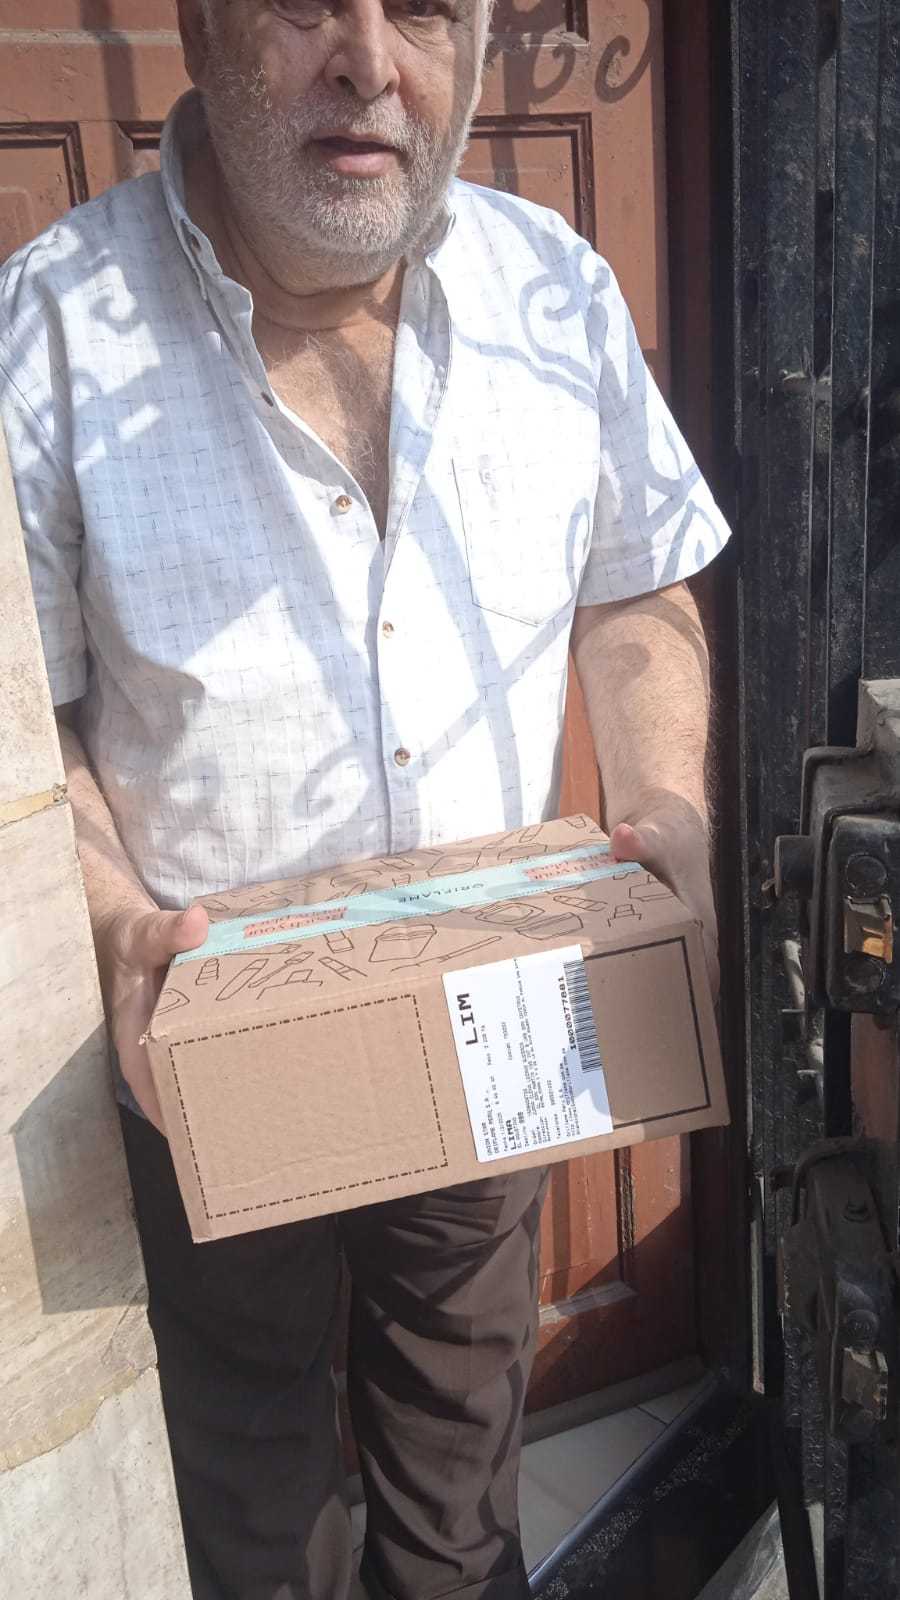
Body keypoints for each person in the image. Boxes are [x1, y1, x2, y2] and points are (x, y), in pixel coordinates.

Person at [0, 1, 729, 1596]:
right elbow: (21, 719)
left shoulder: (555, 289)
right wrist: (113, 923)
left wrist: (667, 806)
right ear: (200, 25)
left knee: (462, 1471)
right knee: (255, 1505)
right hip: (209, 1050)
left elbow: (637, 589)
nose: (369, 61)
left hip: (495, 1016)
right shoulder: (50, 329)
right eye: (304, 4)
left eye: (423, 11)